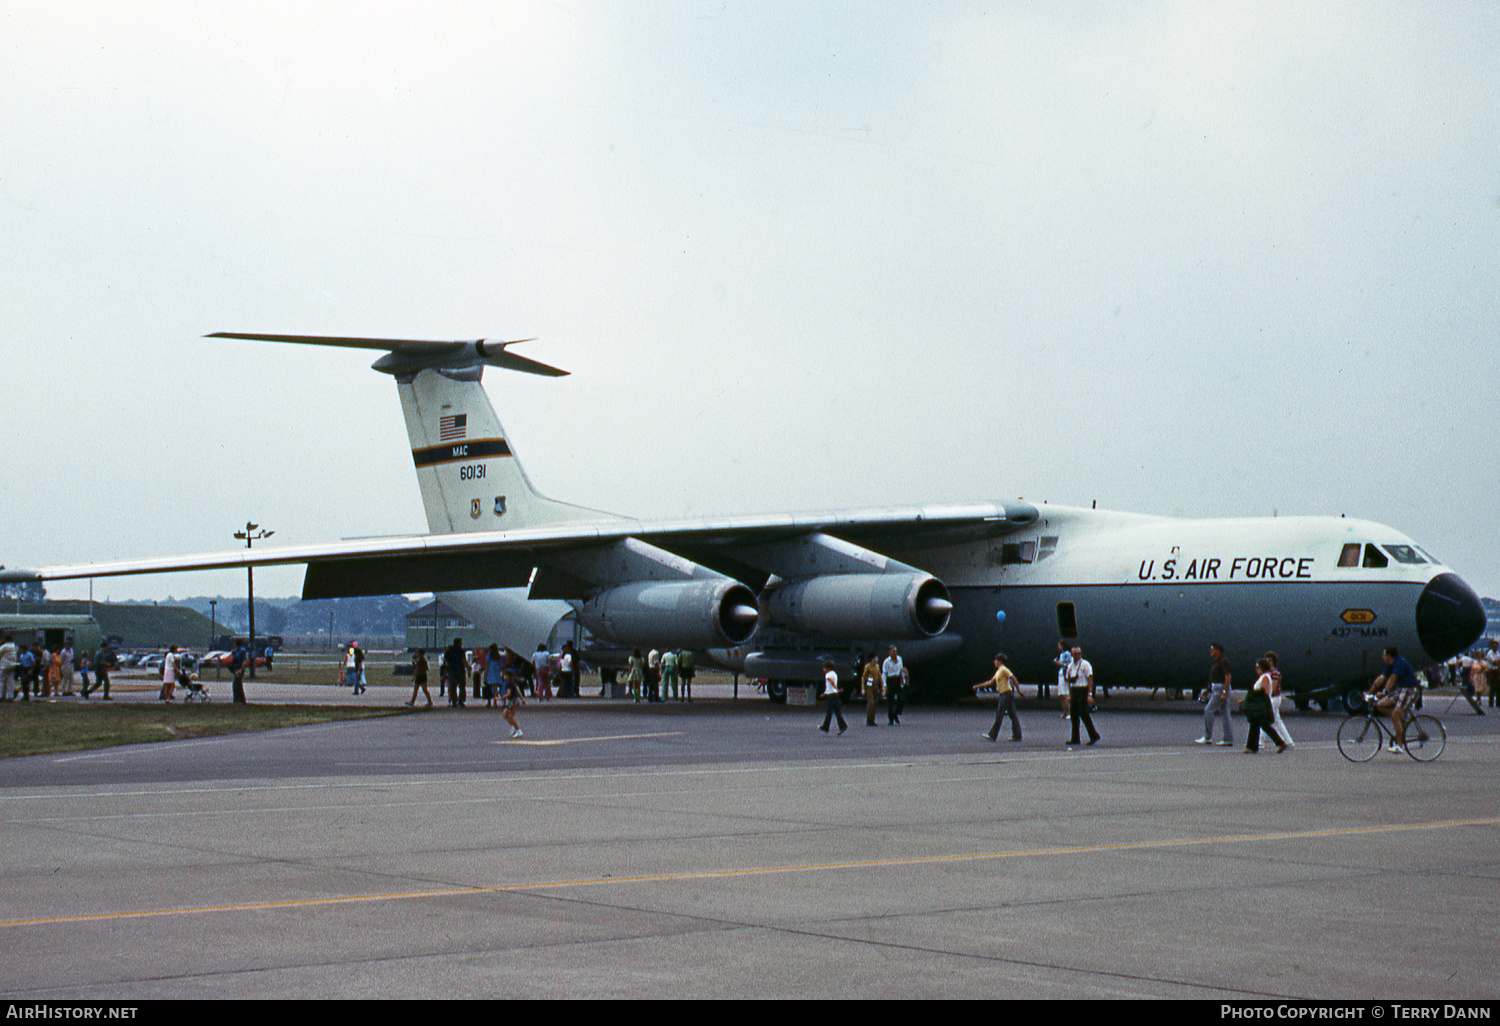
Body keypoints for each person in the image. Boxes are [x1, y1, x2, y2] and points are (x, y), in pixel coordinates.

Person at [1367, 647, 1421, 752]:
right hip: (1401, 690)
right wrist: (1369, 692)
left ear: (1389, 656)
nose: (1382, 657)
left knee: (1396, 714)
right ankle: (1399, 720)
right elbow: (1381, 678)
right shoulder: (1390, 665)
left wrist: (1384, 692)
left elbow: (1392, 678)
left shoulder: (1399, 662)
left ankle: (1399, 746)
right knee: (1380, 705)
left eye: (1384, 655)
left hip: (1410, 689)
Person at [1243, 658, 1288, 754]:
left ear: (1262, 668)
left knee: (1263, 724)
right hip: (1260, 703)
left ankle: (1280, 743)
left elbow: (1266, 691)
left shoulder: (1265, 678)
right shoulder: (1264, 677)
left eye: (1257, 667)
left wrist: (1253, 695)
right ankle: (1252, 746)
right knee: (1255, 724)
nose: (1256, 670)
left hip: (1261, 704)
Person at [974, 653, 1022, 742]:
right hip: (1005, 694)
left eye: (995, 661)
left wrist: (1018, 690)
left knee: (1000, 714)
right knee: (1012, 715)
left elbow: (1013, 678)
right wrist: (978, 686)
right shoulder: (999, 671)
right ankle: (1017, 735)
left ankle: (993, 735)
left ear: (999, 661)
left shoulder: (1004, 669)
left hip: (1006, 693)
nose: (994, 662)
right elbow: (990, 682)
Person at [1196, 643, 1234, 747]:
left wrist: (1224, 692)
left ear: (1218, 651)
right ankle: (1228, 739)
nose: (1210, 652)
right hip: (1218, 688)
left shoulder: (1222, 662)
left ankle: (1207, 737)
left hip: (1220, 689)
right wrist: (1208, 690)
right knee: (1225, 714)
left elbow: (1228, 677)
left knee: (1208, 710)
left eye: (1212, 650)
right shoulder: (1218, 662)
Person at [1064, 645, 1100, 746]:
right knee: (1074, 715)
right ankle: (1075, 738)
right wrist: (1070, 695)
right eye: (1075, 654)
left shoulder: (1085, 664)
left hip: (1083, 690)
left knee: (1084, 714)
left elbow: (1090, 679)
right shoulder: (1071, 666)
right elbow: (1070, 681)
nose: (1077, 656)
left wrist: (1089, 694)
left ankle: (1094, 735)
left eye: (1079, 654)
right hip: (1075, 690)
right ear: (1072, 655)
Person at [1262, 651, 1294, 748]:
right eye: (1266, 660)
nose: (1268, 662)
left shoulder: (1274, 673)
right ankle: (1288, 741)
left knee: (1263, 719)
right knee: (1277, 720)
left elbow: (1273, 687)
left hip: (1273, 698)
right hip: (1272, 698)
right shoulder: (1268, 673)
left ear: (1273, 661)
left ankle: (1260, 742)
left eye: (1270, 660)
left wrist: (1265, 696)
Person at [819, 660, 846, 734]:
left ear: (827, 668)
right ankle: (842, 725)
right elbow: (829, 687)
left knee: (829, 711)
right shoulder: (834, 674)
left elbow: (831, 683)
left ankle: (825, 726)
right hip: (834, 694)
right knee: (837, 711)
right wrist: (825, 694)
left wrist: (836, 688)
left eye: (824, 668)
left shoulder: (828, 675)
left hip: (831, 696)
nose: (823, 670)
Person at [882, 646, 908, 725]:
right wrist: (884, 685)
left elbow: (901, 670)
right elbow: (884, 673)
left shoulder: (899, 659)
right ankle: (891, 719)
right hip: (891, 680)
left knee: (901, 698)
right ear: (889, 652)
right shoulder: (886, 661)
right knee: (890, 700)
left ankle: (896, 713)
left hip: (898, 679)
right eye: (893, 651)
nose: (895, 653)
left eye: (896, 651)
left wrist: (903, 680)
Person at [500, 666, 524, 737]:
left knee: (509, 716)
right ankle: (513, 726)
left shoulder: (508, 683)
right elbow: (518, 691)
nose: (503, 676)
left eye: (504, 675)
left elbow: (508, 694)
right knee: (505, 714)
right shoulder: (512, 683)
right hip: (514, 701)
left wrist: (500, 698)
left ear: (507, 676)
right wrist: (522, 699)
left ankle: (518, 730)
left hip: (512, 701)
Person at [861, 652, 883, 727]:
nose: (877, 659)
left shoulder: (877, 666)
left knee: (875, 702)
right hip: (869, 685)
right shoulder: (868, 667)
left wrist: (883, 685)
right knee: (871, 701)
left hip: (875, 684)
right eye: (875, 658)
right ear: (872, 659)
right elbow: (863, 677)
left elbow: (879, 676)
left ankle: (872, 719)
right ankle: (868, 719)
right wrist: (863, 688)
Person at [1054, 641, 1073, 720]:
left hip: (1065, 674)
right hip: (1061, 674)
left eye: (1059, 645)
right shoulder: (1061, 654)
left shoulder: (1067, 654)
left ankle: (1069, 712)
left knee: (1065, 694)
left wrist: (1059, 663)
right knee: (1061, 694)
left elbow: (1069, 664)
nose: (1058, 647)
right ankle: (1065, 711)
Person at [229, 640, 250, 704]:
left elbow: (244, 661)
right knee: (236, 684)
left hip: (240, 668)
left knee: (237, 684)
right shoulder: (236, 650)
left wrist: (241, 669)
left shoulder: (242, 651)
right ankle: (238, 699)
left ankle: (240, 699)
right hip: (235, 668)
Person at [485, 644, 504, 708]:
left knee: (489, 688)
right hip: (496, 673)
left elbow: (487, 666)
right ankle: (495, 702)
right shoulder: (498, 657)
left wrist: (485, 673)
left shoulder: (489, 656)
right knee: (495, 689)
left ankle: (489, 702)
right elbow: (500, 666)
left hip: (490, 673)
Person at [0, 635, 16, 702]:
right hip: (12, 665)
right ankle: (10, 696)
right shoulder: (14, 645)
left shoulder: (4, 646)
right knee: (10, 681)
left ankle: (1, 695)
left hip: (5, 665)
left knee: (2, 680)